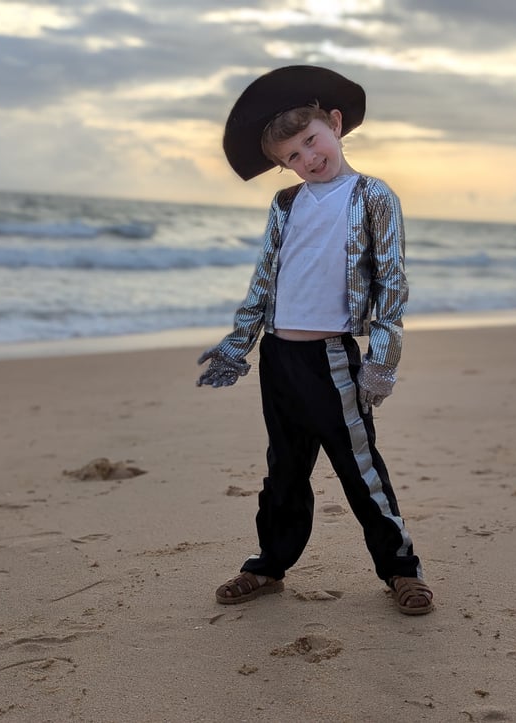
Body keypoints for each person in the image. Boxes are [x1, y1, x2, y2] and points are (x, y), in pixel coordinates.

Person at [197, 65, 433, 615]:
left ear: (335, 124)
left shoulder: (372, 196)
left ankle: (401, 570)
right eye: (292, 156)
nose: (307, 157)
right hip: (279, 356)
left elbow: (391, 283)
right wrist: (239, 343)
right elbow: (264, 279)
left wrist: (382, 362)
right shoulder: (285, 204)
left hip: (331, 359)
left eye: (310, 140)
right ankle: (267, 566)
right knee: (284, 468)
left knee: (359, 468)